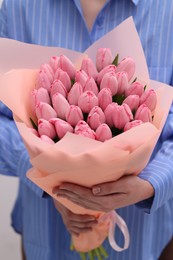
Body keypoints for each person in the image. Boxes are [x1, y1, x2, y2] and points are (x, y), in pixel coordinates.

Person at [0, 0, 173, 259]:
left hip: (145, 243)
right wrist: (48, 179)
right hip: (43, 237)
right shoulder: (19, 7)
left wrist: (150, 183)